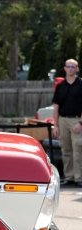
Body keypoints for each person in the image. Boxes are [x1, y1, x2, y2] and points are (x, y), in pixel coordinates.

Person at [52, 59, 82, 187]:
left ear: (77, 69)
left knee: (78, 149)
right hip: (62, 120)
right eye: (68, 66)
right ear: (64, 68)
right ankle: (68, 176)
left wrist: (80, 123)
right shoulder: (60, 86)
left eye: (73, 66)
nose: (70, 68)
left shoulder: (81, 84)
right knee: (66, 150)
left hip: (76, 120)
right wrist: (56, 125)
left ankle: (79, 178)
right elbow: (56, 107)